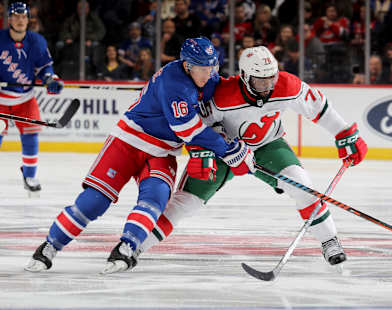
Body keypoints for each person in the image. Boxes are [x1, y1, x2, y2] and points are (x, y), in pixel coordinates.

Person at [24, 37, 256, 274]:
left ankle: (126, 247)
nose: (210, 73)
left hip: (163, 151)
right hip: (129, 141)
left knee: (155, 199)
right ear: (187, 65)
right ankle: (49, 247)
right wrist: (229, 150)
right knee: (95, 200)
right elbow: (188, 130)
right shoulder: (173, 82)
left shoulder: (206, 78)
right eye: (203, 68)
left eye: (212, 66)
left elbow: (229, 97)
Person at [136, 46, 368, 269]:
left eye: (271, 79)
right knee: (185, 203)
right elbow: (198, 125)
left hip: (267, 146)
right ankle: (133, 247)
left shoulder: (287, 85)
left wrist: (344, 132)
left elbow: (319, 107)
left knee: (302, 185)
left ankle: (330, 240)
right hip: (224, 151)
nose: (268, 87)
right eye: (260, 81)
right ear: (245, 76)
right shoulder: (222, 95)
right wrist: (202, 152)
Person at [0, 2, 64, 197]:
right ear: (9, 19)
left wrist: (50, 80)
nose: (20, 20)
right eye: (16, 16)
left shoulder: (36, 41)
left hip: (25, 98)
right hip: (1, 99)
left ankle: (29, 175)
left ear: (28, 20)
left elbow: (45, 68)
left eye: (24, 16)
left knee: (30, 134)